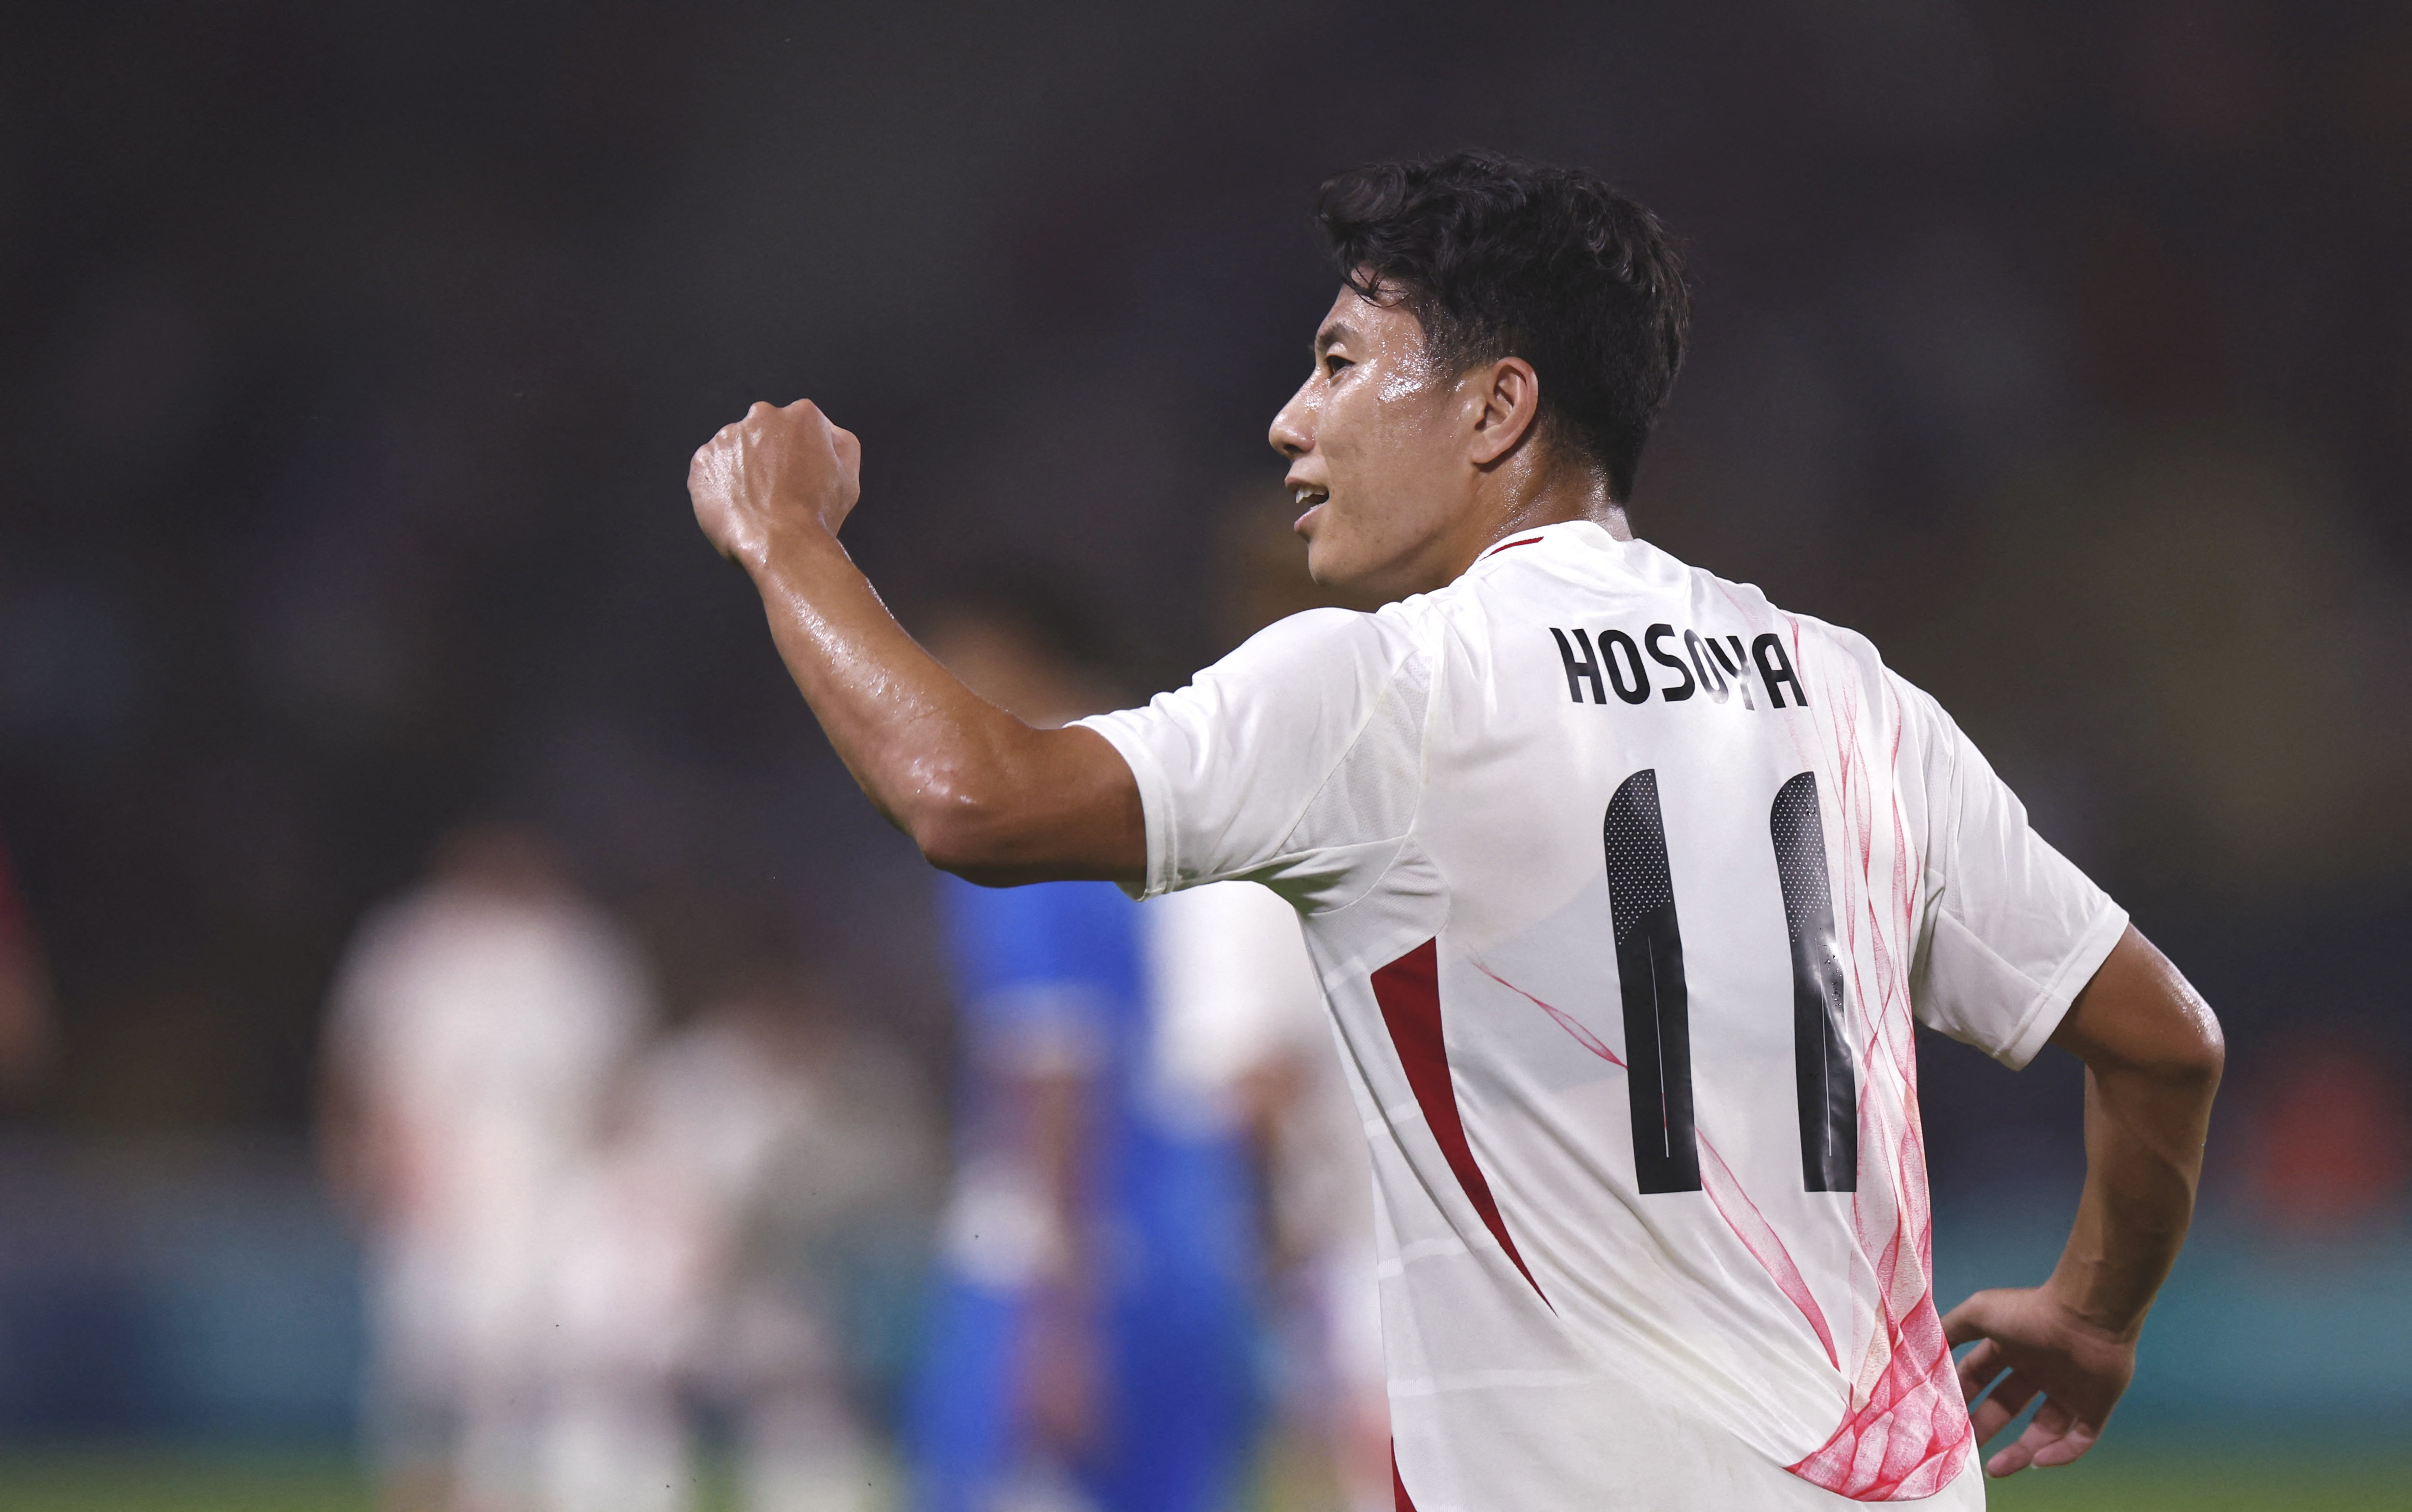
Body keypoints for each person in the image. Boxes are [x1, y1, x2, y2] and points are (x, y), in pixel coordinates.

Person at [685, 153, 2225, 1509]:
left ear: (1497, 408)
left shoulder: (1396, 688)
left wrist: (784, 536)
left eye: (1339, 364)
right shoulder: (1856, 698)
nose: (1290, 421)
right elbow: (2165, 1043)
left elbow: (970, 795)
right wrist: (2092, 1317)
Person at [904, 591, 1266, 1512]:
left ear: (1024, 666)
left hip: (1069, 1266)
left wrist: (1057, 1320)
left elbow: (1058, 1067)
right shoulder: (1182, 804)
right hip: (1191, 1252)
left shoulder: (1028, 821)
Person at [321, 821, 655, 1512]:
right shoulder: (412, 940)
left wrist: (603, 1189)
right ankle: (416, 1495)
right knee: (422, 1361)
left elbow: (616, 1081)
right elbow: (361, 1066)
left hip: (544, 1180)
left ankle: (501, 1496)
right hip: (431, 1173)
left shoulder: (572, 947)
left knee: (523, 1359)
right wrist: (360, 1162)